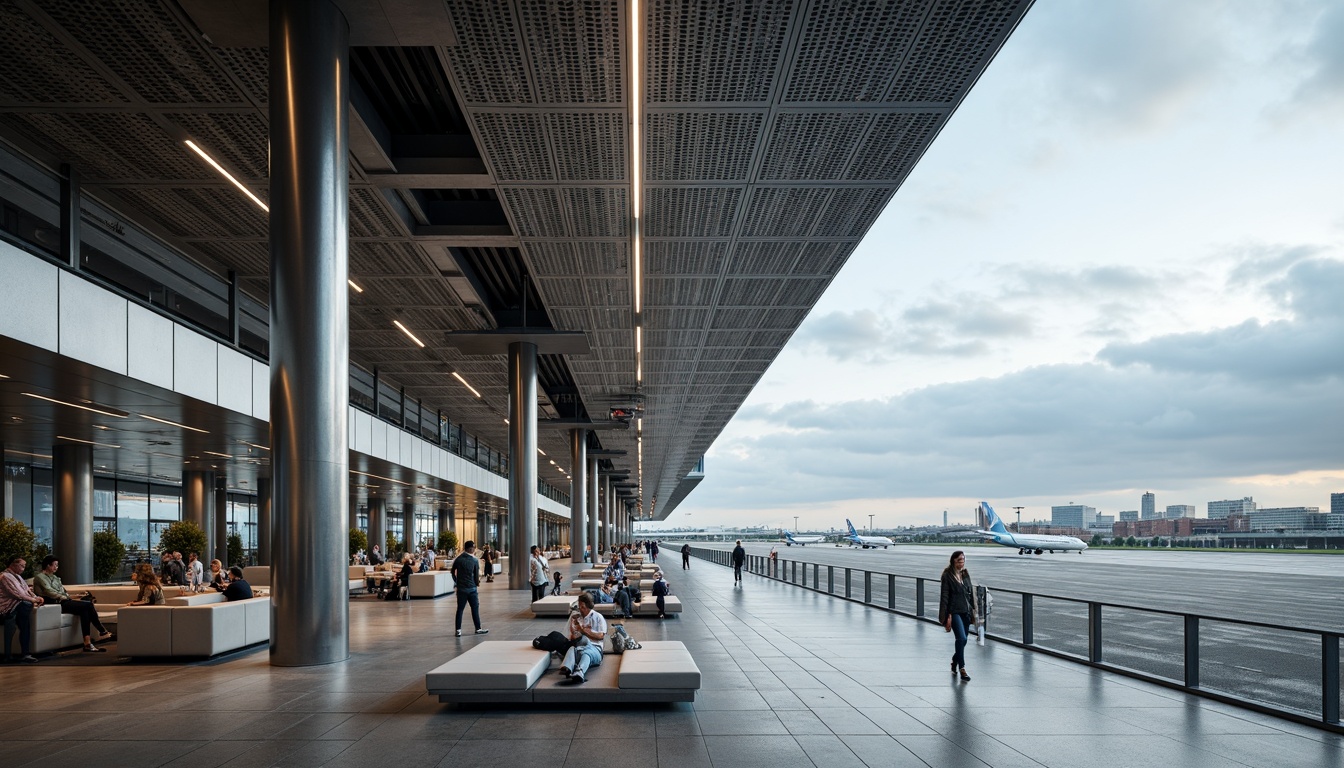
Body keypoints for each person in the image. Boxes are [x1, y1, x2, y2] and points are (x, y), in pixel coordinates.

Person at [33, 555, 112, 652]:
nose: (56, 567)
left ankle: (87, 643)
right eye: (55, 565)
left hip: (63, 601)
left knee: (85, 610)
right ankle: (102, 631)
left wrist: (73, 596)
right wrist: (66, 597)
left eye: (57, 565)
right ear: (48, 565)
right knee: (88, 605)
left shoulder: (56, 578)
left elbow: (63, 592)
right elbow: (49, 592)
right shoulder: (40, 577)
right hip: (54, 604)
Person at [938, 550, 977, 682]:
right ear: (953, 561)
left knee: (964, 640)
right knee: (960, 638)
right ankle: (962, 668)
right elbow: (944, 596)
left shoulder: (965, 574)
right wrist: (943, 615)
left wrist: (974, 610)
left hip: (965, 611)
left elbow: (970, 593)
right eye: (959, 560)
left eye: (963, 560)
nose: (962, 562)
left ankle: (954, 661)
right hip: (953, 611)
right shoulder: (947, 576)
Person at [1, 555, 44, 663]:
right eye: (22, 566)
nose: (23, 568)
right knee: (26, 605)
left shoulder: (18, 577)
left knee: (26, 608)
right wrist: (33, 600)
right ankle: (24, 653)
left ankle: (25, 653)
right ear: (13, 564)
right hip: (7, 608)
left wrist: (36, 597)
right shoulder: (5, 576)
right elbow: (17, 594)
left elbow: (26, 591)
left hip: (18, 606)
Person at [559, 591, 607, 684]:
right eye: (579, 606)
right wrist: (573, 625)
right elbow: (573, 638)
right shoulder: (578, 617)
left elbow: (601, 636)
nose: (580, 609)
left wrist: (583, 630)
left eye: (583, 607)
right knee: (572, 648)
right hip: (580, 647)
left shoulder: (598, 617)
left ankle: (579, 672)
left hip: (595, 650)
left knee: (586, 651)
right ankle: (567, 668)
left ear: (589, 606)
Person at [450, 540, 488, 637]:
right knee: (475, 608)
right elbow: (476, 575)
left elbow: (452, 571)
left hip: (461, 589)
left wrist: (457, 582)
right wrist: (476, 583)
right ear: (471, 549)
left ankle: (458, 630)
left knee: (460, 609)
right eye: (474, 548)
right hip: (472, 589)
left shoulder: (458, 559)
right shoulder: (475, 560)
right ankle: (478, 628)